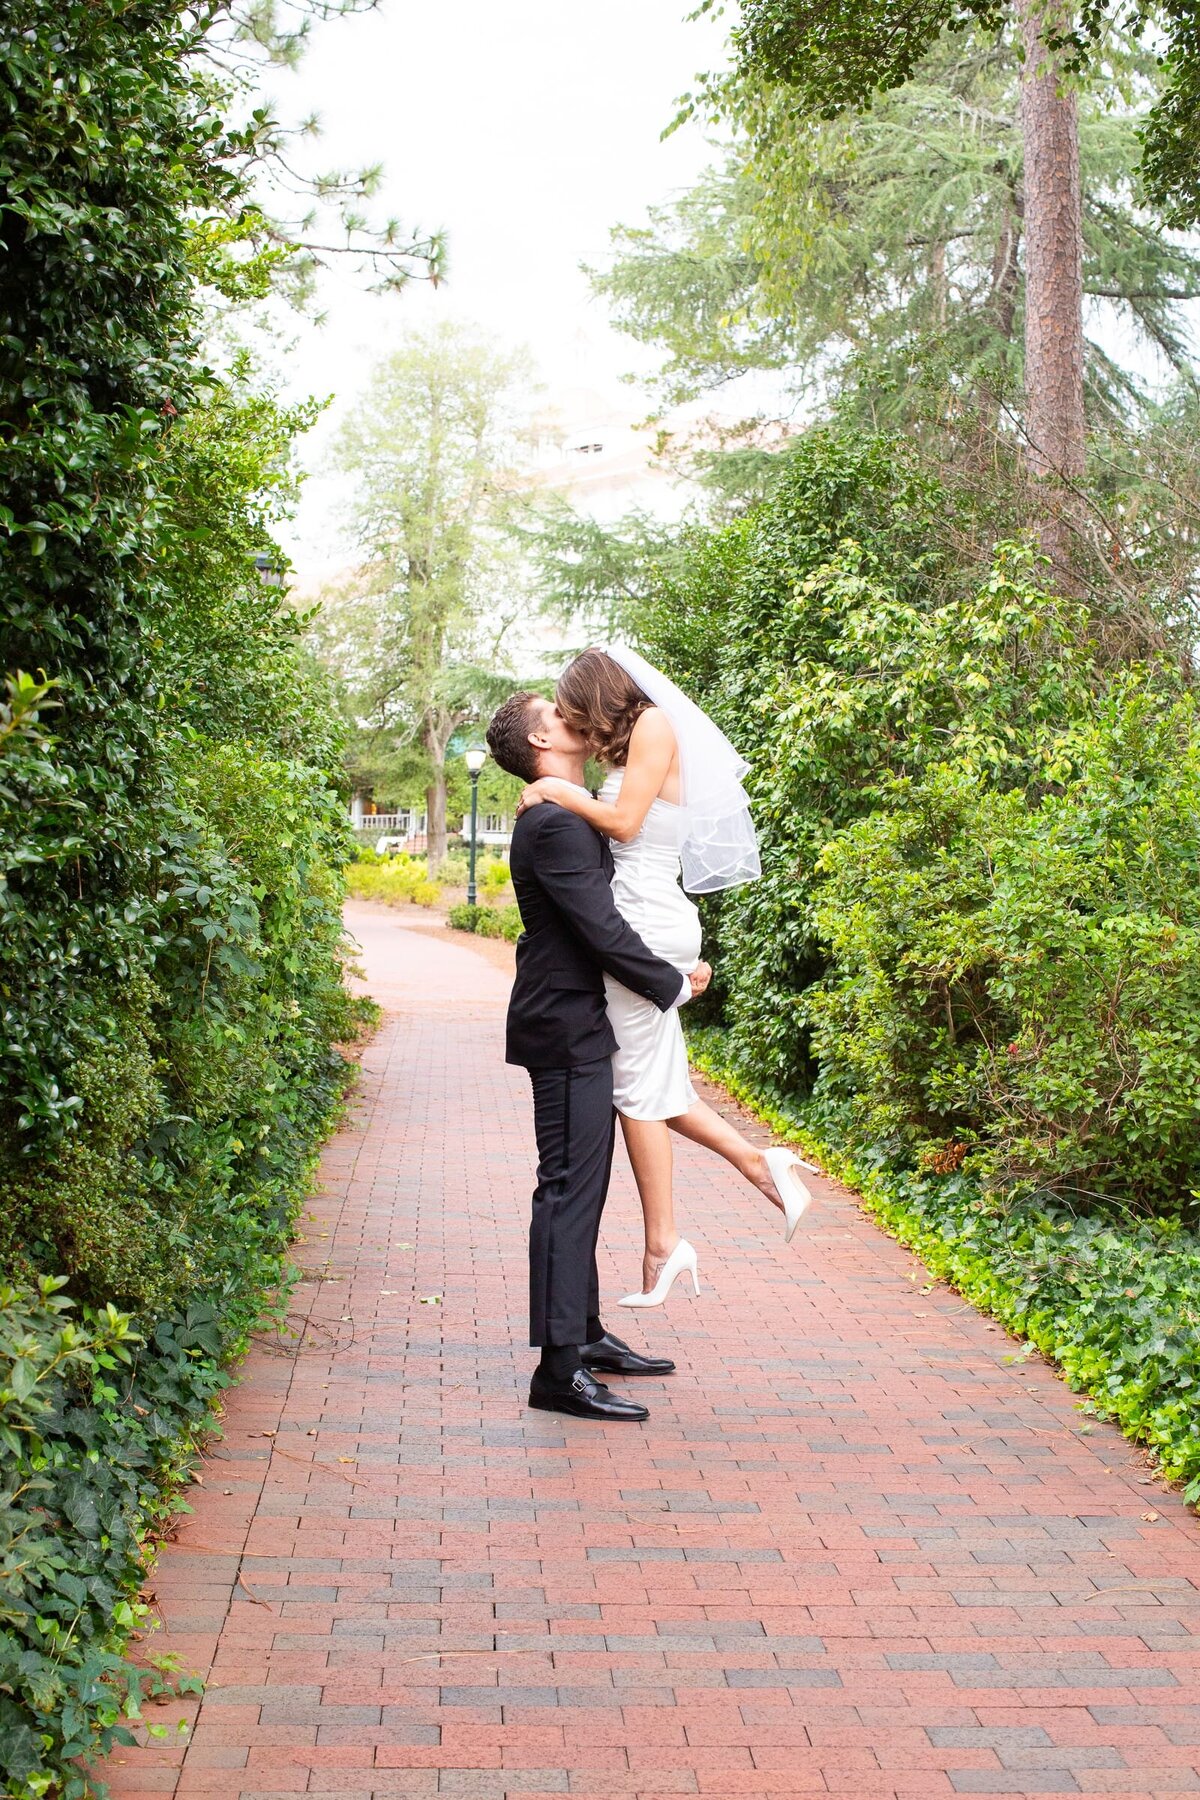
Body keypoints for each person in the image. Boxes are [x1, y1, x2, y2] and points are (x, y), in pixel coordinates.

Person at [515, 646, 814, 1305]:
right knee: (659, 1083)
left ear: (596, 697)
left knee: (634, 1089)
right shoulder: (632, 741)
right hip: (650, 920)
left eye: (574, 712)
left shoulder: (653, 726)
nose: (577, 729)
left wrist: (557, 789)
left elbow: (623, 825)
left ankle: (665, 1240)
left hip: (647, 918)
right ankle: (756, 1164)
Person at [485, 688, 712, 1422]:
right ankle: (557, 1372)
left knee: (582, 1187)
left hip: (580, 1021)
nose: (567, 711)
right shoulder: (552, 824)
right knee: (567, 1192)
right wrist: (670, 986)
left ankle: (583, 1336)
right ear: (544, 743)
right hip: (565, 1025)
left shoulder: (563, 814)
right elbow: (600, 929)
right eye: (553, 711)